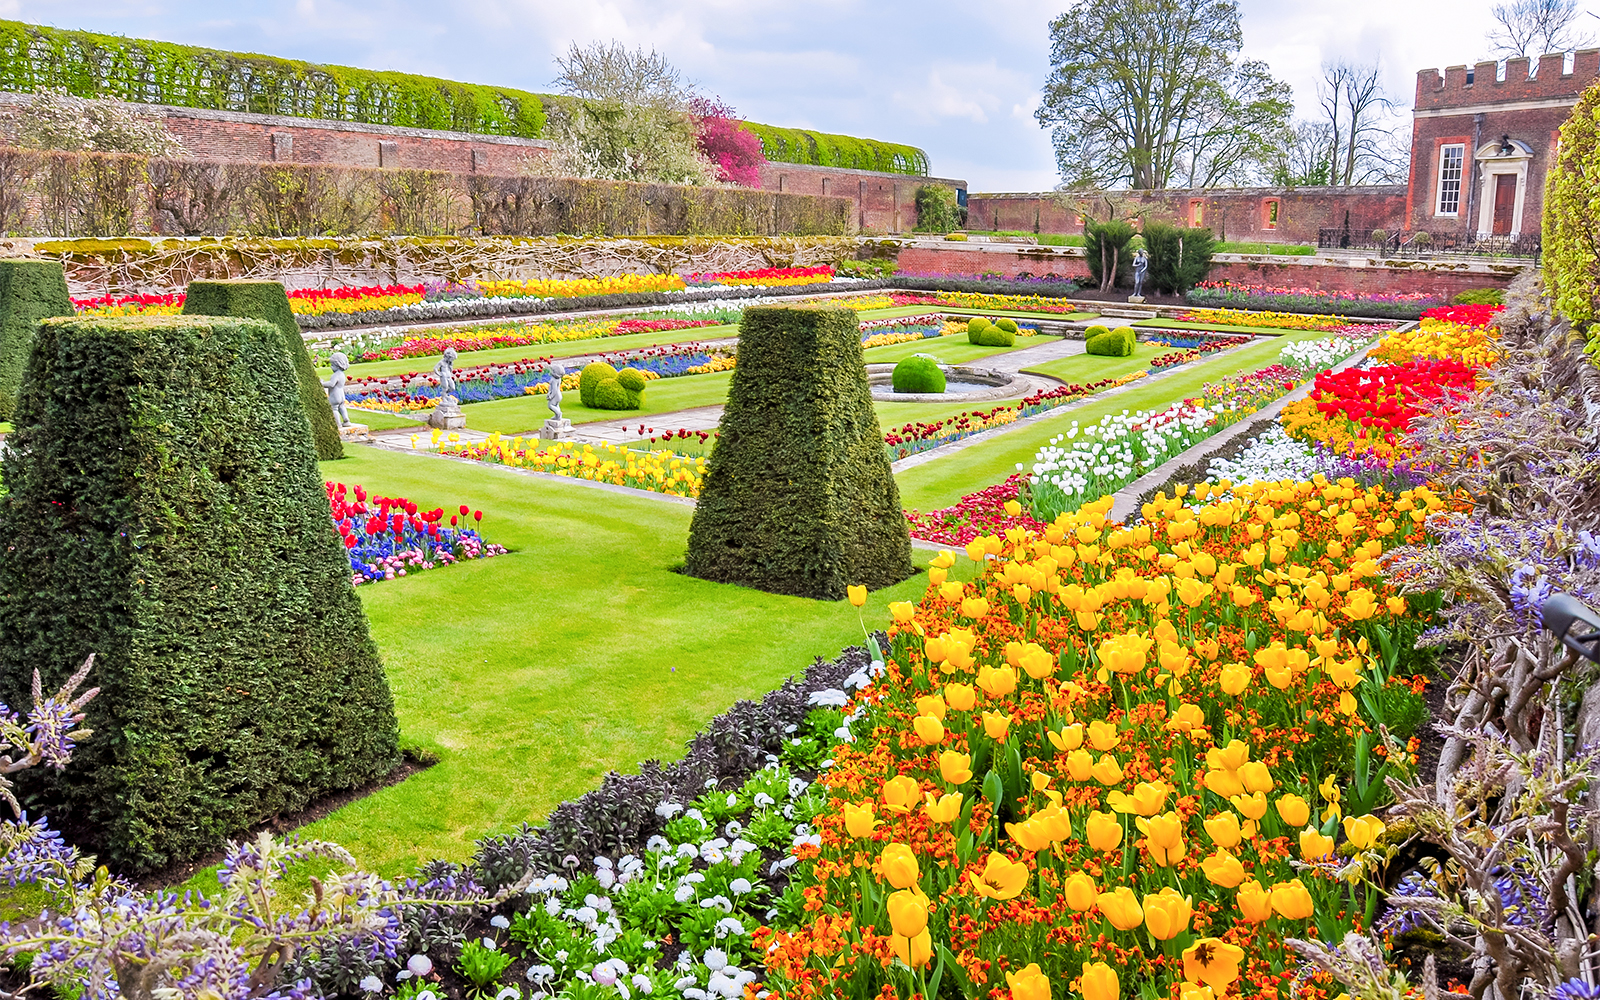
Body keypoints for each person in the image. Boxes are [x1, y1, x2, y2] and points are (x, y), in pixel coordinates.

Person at [322, 352, 351, 427]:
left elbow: (331, 384)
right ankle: (346, 420)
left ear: (338, 366)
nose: (331, 367)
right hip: (341, 395)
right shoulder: (342, 374)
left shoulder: (335, 375)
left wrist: (322, 384)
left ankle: (338, 424)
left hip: (335, 395)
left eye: (332, 365)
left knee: (334, 408)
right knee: (341, 407)